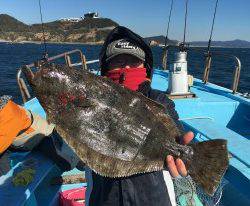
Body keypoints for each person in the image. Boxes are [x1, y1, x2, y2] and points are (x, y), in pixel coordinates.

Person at [86, 26, 194, 206]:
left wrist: (183, 151)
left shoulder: (159, 101)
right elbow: (65, 149)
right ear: (106, 68)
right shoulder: (93, 102)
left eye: (133, 62)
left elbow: (174, 131)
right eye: (118, 61)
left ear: (146, 67)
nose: (126, 67)